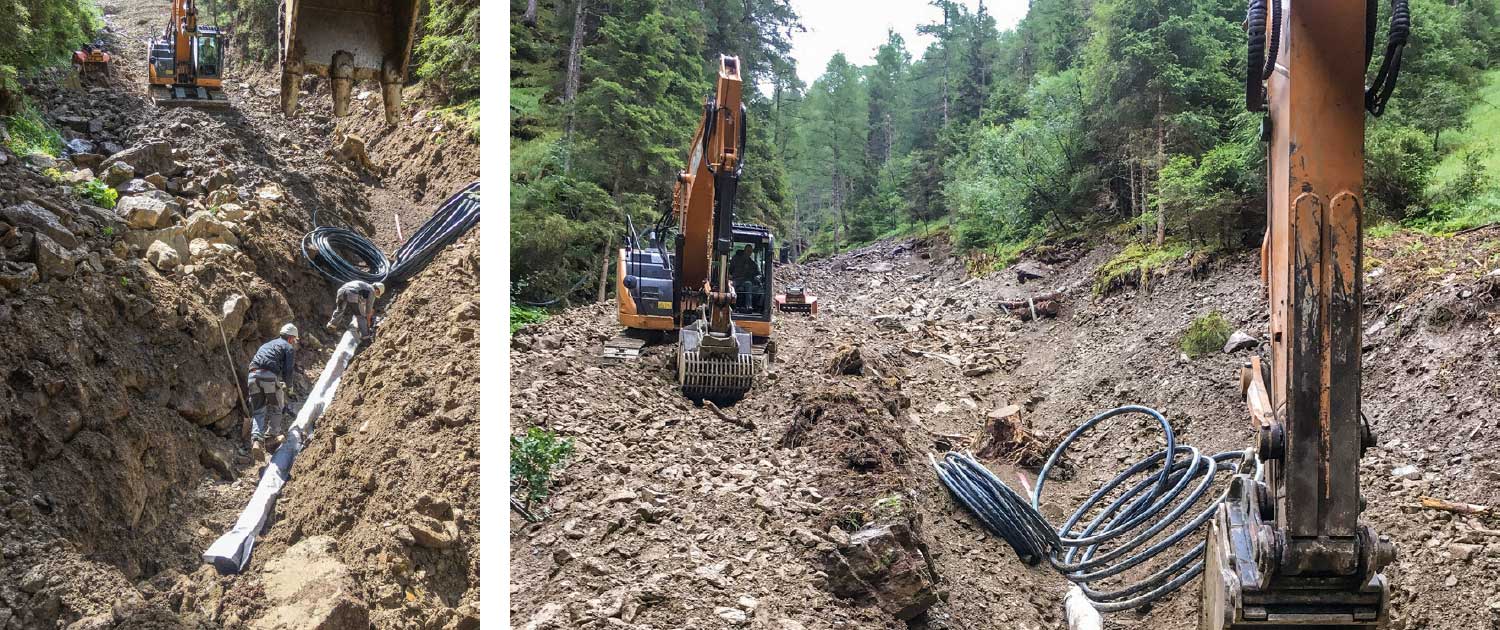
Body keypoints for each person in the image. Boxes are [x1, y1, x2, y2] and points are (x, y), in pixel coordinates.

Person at [247, 324, 299, 461]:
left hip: (252, 377)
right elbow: (288, 371)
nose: (294, 342)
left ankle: (257, 440)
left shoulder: (267, 345)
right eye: (294, 339)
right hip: (269, 378)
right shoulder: (288, 347)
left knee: (258, 411)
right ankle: (271, 438)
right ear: (291, 338)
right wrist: (290, 388)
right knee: (277, 407)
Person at [729, 245, 760, 310]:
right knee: (731, 285)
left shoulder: (753, 264)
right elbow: (730, 270)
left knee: (749, 284)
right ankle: (731, 305)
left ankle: (748, 306)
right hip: (735, 279)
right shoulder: (735, 259)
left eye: (750, 251)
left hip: (745, 281)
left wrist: (757, 277)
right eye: (748, 251)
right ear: (744, 250)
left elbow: (757, 274)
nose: (749, 253)